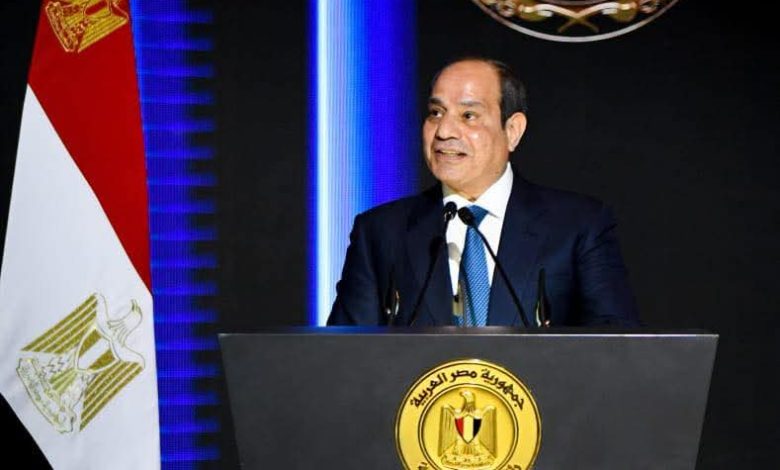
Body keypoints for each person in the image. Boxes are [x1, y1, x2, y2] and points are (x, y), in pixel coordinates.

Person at [327, 57, 639, 327]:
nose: (444, 131)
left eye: (468, 116)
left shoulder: (578, 225)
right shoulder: (381, 232)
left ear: (512, 130)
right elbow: (343, 357)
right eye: (436, 112)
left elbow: (615, 350)